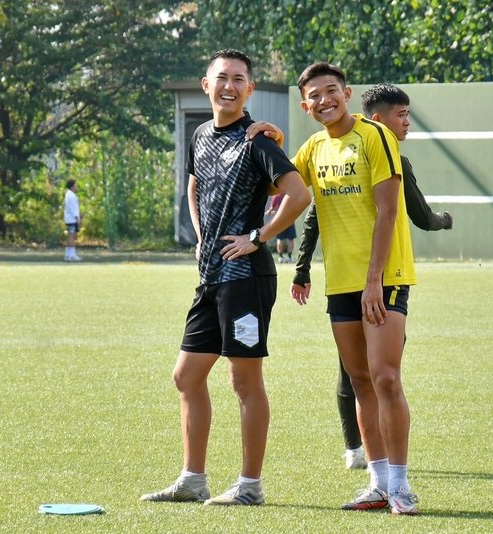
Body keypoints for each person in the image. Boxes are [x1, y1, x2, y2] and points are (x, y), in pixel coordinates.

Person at [139, 49, 309, 507]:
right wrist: (200, 236)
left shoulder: (258, 140)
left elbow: (298, 195)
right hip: (211, 276)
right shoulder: (200, 135)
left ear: (249, 89)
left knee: (244, 382)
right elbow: (194, 183)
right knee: (186, 377)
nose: (229, 86)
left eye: (238, 79)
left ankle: (250, 487)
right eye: (221, 78)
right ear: (206, 84)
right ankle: (193, 480)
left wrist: (258, 236)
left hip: (246, 278)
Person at [293, 84, 452, 471]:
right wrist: (443, 221)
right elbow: (419, 216)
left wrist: (304, 266)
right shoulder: (327, 148)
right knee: (364, 375)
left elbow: (320, 218)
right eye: (402, 115)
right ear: (378, 119)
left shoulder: (378, 150)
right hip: (350, 280)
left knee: (376, 375)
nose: (407, 123)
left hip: (379, 280)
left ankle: (378, 466)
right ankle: (367, 458)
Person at [292, 62, 419, 515]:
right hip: (340, 283)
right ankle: (378, 484)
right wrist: (266, 138)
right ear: (306, 107)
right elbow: (279, 187)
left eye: (332, 91)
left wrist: (373, 282)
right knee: (360, 380)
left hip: (384, 279)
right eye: (315, 96)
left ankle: (401, 486)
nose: (324, 100)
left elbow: (389, 212)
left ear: (346, 94)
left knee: (385, 377)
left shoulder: (375, 136)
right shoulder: (312, 148)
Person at [265, 193, 297, 263]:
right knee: (291, 239)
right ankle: (290, 257)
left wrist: (269, 212)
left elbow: (272, 208)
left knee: (280, 239)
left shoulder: (276, 196)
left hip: (280, 221)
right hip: (290, 220)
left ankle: (280, 257)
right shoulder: (289, 194)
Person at [63, 179, 82, 261]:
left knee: (71, 236)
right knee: (72, 236)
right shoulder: (71, 196)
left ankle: (68, 254)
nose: (77, 186)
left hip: (69, 218)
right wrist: (78, 218)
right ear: (72, 186)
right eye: (76, 185)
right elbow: (73, 208)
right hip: (72, 219)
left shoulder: (68, 194)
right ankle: (71, 255)